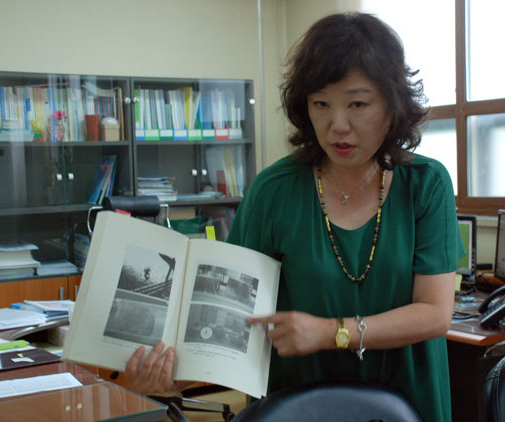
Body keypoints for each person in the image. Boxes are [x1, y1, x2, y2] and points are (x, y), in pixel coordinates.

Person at [125, 12, 462, 422]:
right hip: (296, 407)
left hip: (407, 402)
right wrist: (173, 374)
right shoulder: (274, 190)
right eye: (321, 104)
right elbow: (231, 308)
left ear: (392, 106)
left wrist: (331, 332)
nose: (338, 125)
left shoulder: (426, 184)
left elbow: (435, 313)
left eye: (358, 103)